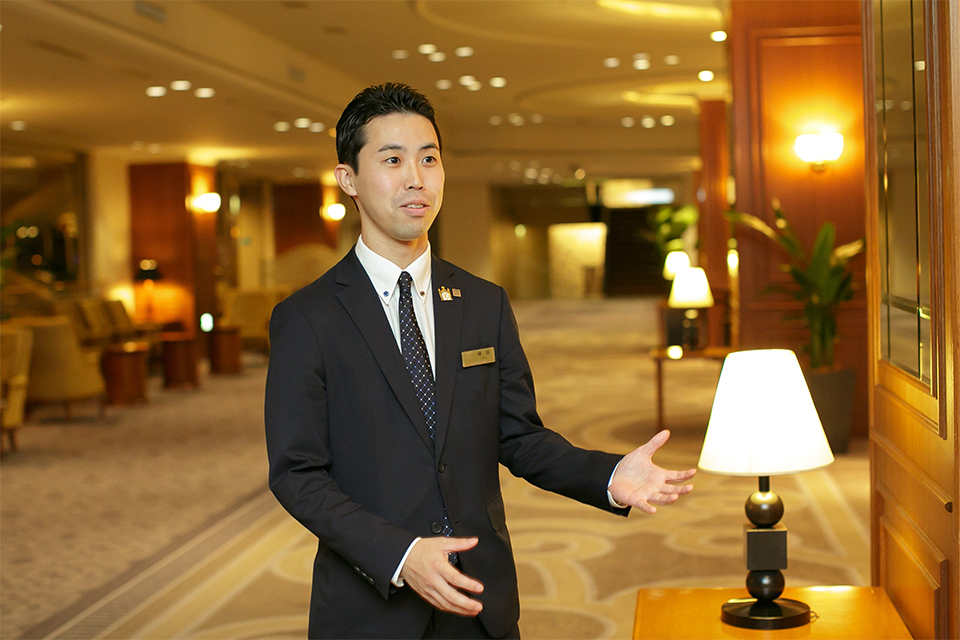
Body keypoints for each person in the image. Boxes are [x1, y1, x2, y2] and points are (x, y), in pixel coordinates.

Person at [264, 82, 696, 640]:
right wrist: (401, 555)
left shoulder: (482, 302)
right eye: (392, 160)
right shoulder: (308, 317)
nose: (416, 178)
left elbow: (518, 437)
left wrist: (608, 475)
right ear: (348, 178)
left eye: (429, 159)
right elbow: (298, 475)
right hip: (371, 607)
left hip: (479, 602)